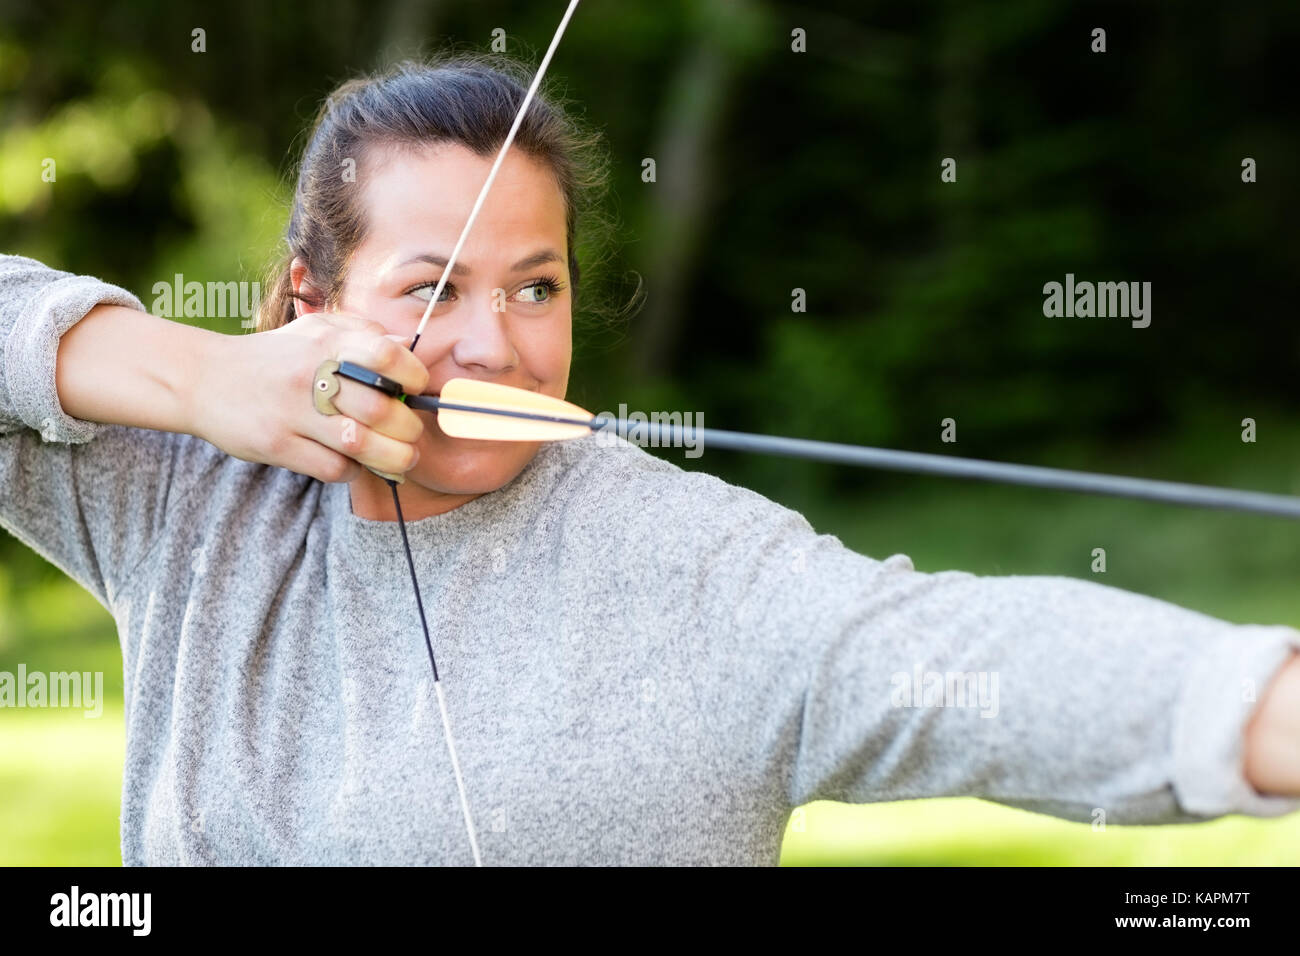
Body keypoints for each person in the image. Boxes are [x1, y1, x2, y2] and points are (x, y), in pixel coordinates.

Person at [1, 56, 1297, 867]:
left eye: (535, 287)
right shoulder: (188, 490)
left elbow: (961, 654)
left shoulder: (684, 564)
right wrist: (200, 377)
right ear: (306, 299)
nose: (490, 347)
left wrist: (1261, 704)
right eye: (431, 288)